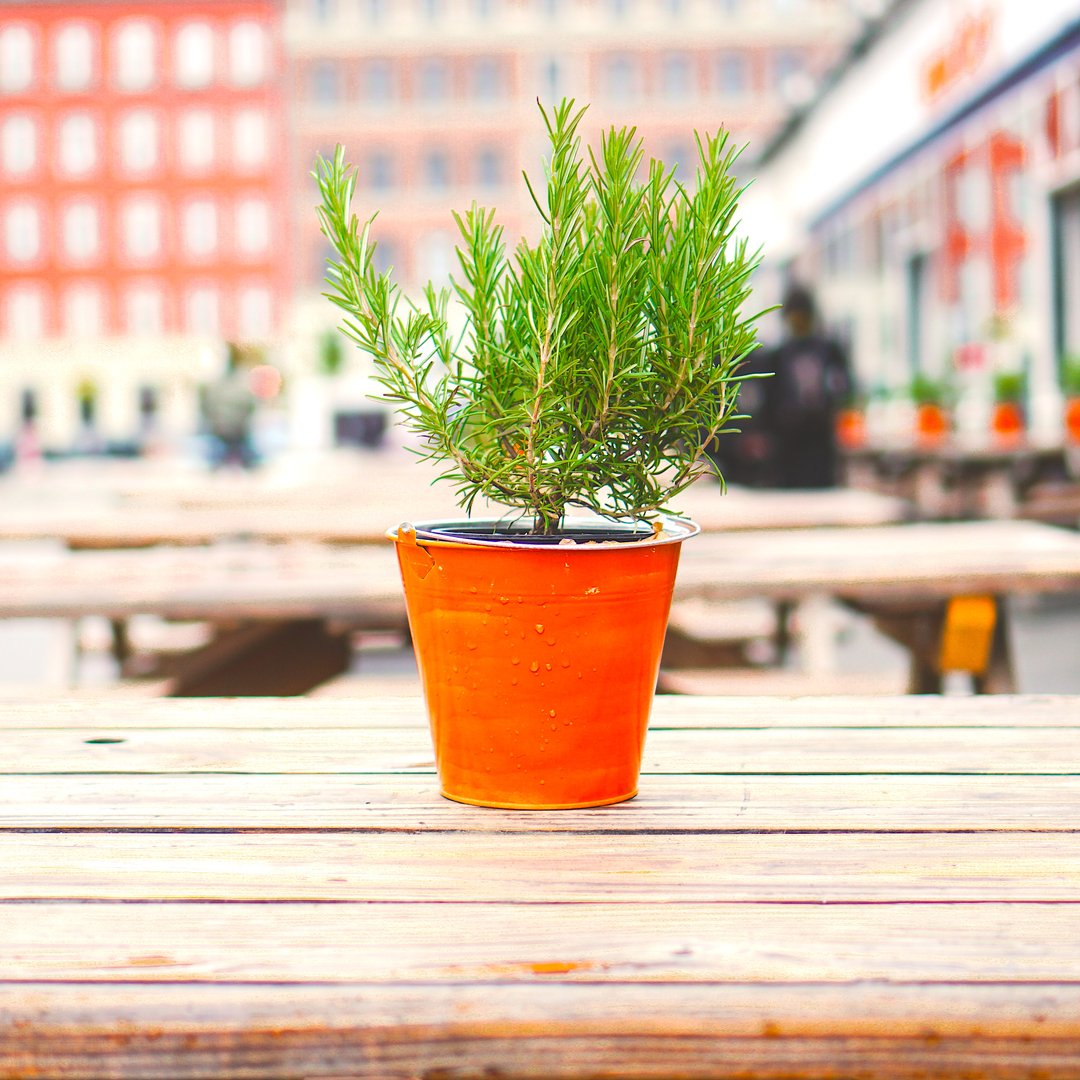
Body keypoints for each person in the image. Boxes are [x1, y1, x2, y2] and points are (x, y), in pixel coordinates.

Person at [759, 283, 852, 489]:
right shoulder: (778, 356)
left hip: (820, 443)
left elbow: (844, 389)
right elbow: (768, 401)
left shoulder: (829, 350)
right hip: (788, 448)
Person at [202, 343, 258, 469]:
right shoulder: (226, 384)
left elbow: (209, 406)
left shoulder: (226, 384)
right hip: (227, 432)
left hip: (232, 432)